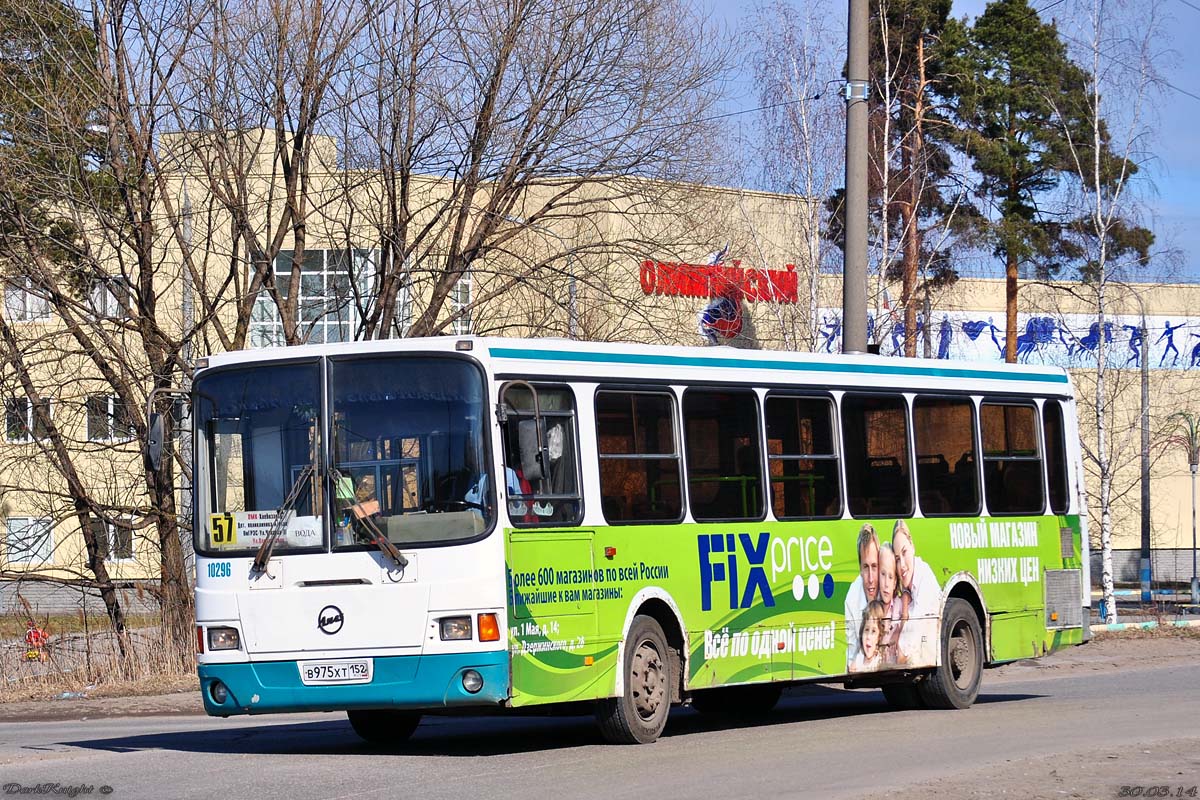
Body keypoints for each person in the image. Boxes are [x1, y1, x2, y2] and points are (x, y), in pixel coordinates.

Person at [893, 520, 940, 665]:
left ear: (912, 546)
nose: (902, 565)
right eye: (897, 558)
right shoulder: (905, 590)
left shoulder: (924, 577)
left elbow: (913, 634)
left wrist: (899, 652)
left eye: (904, 552)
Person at [845, 523, 879, 669]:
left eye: (874, 566)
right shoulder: (852, 598)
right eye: (865, 567)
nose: (870, 578)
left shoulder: (891, 588)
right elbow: (851, 654)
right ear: (859, 569)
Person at [850, 601, 887, 673]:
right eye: (866, 630)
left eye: (873, 631)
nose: (868, 637)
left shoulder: (879, 662)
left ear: (879, 637)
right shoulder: (858, 661)